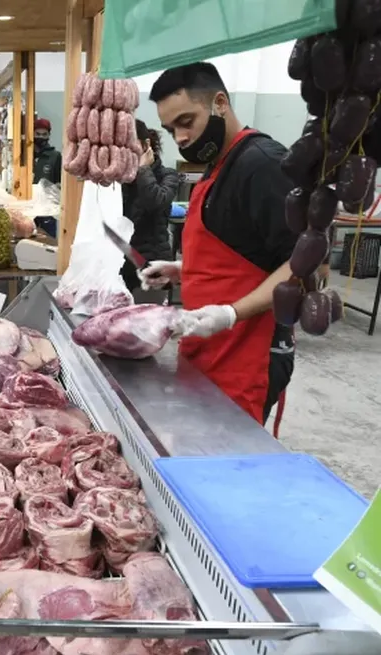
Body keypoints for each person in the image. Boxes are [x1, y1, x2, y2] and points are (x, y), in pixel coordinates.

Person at [142, 62, 295, 426]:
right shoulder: (217, 165)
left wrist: (230, 314)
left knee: (231, 466)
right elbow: (245, 253)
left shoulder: (263, 165)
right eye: (170, 129)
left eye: (186, 121)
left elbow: (304, 266)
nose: (179, 137)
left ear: (220, 103)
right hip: (208, 349)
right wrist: (184, 271)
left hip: (248, 354)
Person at [120, 119, 181, 295]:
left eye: (131, 146)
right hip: (123, 262)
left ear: (146, 144)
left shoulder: (168, 176)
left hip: (153, 264)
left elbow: (156, 202)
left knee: (151, 319)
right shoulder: (123, 176)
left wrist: (144, 169)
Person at [33, 117, 62, 184]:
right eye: (38, 134)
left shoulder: (55, 156)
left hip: (48, 194)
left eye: (44, 134)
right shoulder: (27, 156)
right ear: (33, 134)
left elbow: (59, 183)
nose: (41, 137)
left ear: (49, 135)